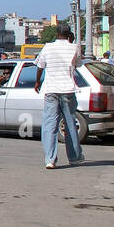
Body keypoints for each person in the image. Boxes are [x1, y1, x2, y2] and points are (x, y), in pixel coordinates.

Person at [34, 25, 83, 169]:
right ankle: (74, 158)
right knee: (70, 125)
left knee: (50, 125)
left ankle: (50, 159)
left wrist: (38, 81)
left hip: (51, 90)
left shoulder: (48, 47)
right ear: (69, 34)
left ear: (57, 33)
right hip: (68, 90)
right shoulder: (74, 48)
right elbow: (78, 65)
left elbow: (40, 66)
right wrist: (72, 42)